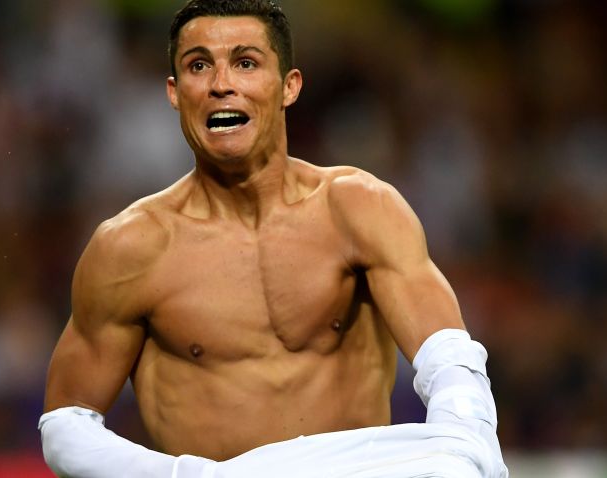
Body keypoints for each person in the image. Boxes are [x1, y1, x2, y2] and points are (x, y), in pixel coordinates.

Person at [38, 0, 508, 476]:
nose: (222, 84)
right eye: (199, 66)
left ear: (289, 86)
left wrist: (464, 445)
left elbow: (449, 360)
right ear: (175, 93)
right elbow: (67, 426)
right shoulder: (131, 248)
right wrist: (190, 476)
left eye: (245, 63)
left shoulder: (359, 209)